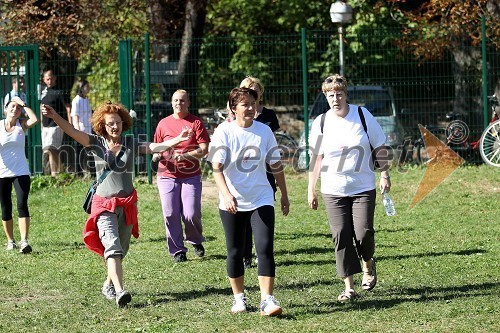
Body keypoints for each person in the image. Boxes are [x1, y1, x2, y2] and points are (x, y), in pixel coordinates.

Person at [41, 101, 192, 307]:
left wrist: (178, 139)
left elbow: (153, 147)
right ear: (103, 125)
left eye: (118, 123)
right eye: (110, 123)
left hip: (127, 204)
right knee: (112, 247)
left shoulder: (130, 142)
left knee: (121, 249)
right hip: (104, 205)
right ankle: (121, 291)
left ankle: (109, 284)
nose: (115, 127)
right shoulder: (95, 142)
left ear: (123, 123)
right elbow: (71, 130)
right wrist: (55, 117)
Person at [307, 74, 391, 302]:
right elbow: (316, 158)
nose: (335, 98)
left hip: (363, 186)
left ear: (346, 94)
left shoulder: (362, 115)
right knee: (341, 236)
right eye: (331, 95)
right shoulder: (321, 122)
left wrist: (384, 174)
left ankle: (368, 264)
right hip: (333, 189)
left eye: (339, 94)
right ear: (325, 96)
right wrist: (311, 189)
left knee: (363, 233)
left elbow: (379, 146)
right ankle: (349, 286)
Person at [208, 87, 289, 316]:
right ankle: (239, 299)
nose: (251, 108)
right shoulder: (224, 131)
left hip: (261, 197)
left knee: (264, 248)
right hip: (232, 200)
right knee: (235, 251)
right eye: (245, 104)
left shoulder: (264, 131)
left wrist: (284, 194)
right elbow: (217, 167)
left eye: (253, 104)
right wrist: (226, 194)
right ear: (233, 108)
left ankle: (267, 299)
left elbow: (276, 165)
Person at [153, 89, 210, 263]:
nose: (179, 103)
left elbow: (204, 149)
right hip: (167, 174)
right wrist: (156, 155)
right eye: (176, 100)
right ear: (171, 103)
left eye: (182, 101)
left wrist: (185, 156)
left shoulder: (196, 123)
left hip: (190, 174)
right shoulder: (163, 123)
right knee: (170, 213)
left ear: (188, 103)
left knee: (191, 213)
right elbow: (156, 146)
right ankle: (178, 250)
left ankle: (195, 239)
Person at [239, 76, 280, 269]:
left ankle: (261, 252)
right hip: (242, 175)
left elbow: (274, 145)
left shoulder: (269, 115)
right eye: (247, 89)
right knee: (244, 216)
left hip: (266, 172)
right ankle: (245, 254)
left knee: (263, 212)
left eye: (254, 89)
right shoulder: (235, 117)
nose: (251, 92)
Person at [0, 96, 38, 253]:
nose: (15, 109)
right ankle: (10, 241)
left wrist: (23, 103)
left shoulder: (21, 125)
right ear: (5, 109)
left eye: (18, 108)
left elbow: (34, 119)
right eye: (12, 106)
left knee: (22, 204)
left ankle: (24, 241)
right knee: (5, 207)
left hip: (21, 172)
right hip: (2, 173)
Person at [40, 69, 71, 177]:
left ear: (55, 78)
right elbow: (41, 109)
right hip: (45, 126)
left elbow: (68, 108)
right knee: (47, 150)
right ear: (44, 80)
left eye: (51, 78)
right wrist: (41, 126)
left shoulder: (60, 92)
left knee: (51, 149)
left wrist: (70, 124)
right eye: (47, 78)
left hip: (56, 125)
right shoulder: (43, 93)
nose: (49, 80)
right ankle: (56, 172)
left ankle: (55, 174)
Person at [70, 79, 93, 175]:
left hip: (88, 129)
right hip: (80, 129)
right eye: (86, 86)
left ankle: (91, 171)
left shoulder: (86, 99)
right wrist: (77, 131)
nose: (88, 88)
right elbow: (75, 117)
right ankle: (79, 172)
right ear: (81, 87)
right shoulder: (76, 100)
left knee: (89, 151)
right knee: (79, 152)